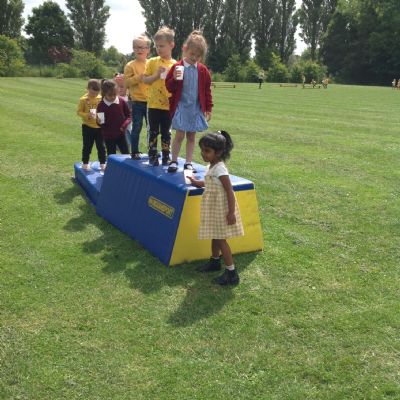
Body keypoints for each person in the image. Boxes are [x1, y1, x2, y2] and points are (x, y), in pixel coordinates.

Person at [188, 131, 244, 286]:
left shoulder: (220, 169)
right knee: (215, 234)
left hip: (221, 209)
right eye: (202, 150)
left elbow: (229, 190)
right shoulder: (211, 166)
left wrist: (231, 212)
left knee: (220, 239)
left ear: (218, 152)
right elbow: (210, 182)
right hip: (213, 207)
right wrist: (196, 182)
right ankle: (214, 261)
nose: (203, 153)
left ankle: (231, 273)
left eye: (207, 151)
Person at [165, 30, 213, 173]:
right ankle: (174, 161)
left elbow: (207, 91)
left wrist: (208, 108)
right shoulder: (177, 67)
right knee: (179, 135)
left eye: (198, 56)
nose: (194, 58)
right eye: (192, 54)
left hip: (195, 108)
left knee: (191, 137)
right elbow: (169, 87)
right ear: (185, 49)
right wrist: (174, 78)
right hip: (181, 107)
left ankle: (188, 162)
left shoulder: (203, 71)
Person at [143, 26, 176, 166]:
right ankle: (152, 154)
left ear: (171, 45)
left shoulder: (176, 65)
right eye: (156, 46)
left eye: (162, 46)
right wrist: (156, 75)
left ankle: (166, 155)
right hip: (153, 104)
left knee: (166, 132)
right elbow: (145, 80)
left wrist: (175, 77)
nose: (158, 49)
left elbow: (178, 86)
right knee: (153, 131)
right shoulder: (152, 62)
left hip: (168, 105)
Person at [124, 34, 151, 159]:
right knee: (137, 127)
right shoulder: (130, 65)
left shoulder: (151, 63)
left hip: (151, 102)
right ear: (133, 49)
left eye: (142, 47)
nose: (139, 50)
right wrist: (138, 77)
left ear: (148, 50)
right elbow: (126, 83)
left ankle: (152, 150)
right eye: (137, 47)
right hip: (137, 102)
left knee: (152, 129)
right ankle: (134, 151)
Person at [76, 79, 106, 171]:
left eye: (97, 93)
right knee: (87, 146)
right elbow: (79, 112)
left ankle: (103, 163)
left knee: (101, 146)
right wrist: (87, 115)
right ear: (88, 89)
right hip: (88, 127)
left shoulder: (101, 98)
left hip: (100, 127)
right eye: (93, 93)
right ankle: (85, 163)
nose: (95, 95)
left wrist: (103, 118)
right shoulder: (83, 99)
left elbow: (105, 109)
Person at [96, 79, 131, 158]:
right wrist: (98, 121)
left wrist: (124, 125)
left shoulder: (122, 101)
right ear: (104, 93)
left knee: (126, 155)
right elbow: (101, 123)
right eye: (110, 95)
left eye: (114, 94)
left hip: (121, 134)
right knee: (112, 157)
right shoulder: (101, 106)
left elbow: (129, 115)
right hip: (108, 136)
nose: (112, 97)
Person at [114, 73, 132, 150]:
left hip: (126, 127)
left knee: (126, 146)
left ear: (127, 88)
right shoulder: (114, 98)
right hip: (115, 127)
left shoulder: (129, 100)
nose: (119, 89)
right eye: (117, 87)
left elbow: (130, 114)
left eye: (122, 87)